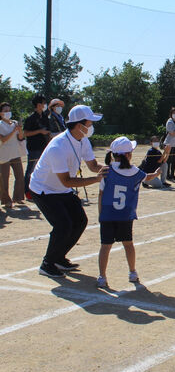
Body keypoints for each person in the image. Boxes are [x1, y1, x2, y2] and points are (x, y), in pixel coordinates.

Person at [28, 105, 108, 278]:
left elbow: (93, 166)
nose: (93, 125)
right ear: (80, 125)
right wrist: (95, 180)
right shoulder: (58, 147)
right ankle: (47, 263)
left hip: (62, 189)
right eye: (90, 122)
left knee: (80, 221)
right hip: (44, 189)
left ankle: (58, 258)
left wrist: (112, 169)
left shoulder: (83, 140)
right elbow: (66, 181)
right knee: (63, 225)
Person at [97, 137, 161, 288]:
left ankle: (102, 277)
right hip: (125, 215)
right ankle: (132, 272)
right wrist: (157, 173)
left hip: (108, 214)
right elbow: (148, 177)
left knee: (105, 246)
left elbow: (101, 194)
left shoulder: (107, 170)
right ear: (128, 155)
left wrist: (100, 214)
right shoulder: (135, 171)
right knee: (128, 244)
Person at [23, 95, 51, 197]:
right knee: (30, 170)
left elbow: (48, 131)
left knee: (43, 170)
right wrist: (39, 131)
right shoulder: (30, 118)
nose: (44, 105)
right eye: (43, 103)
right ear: (38, 105)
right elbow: (25, 133)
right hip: (34, 148)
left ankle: (40, 190)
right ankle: (27, 191)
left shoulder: (45, 117)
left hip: (44, 147)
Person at [0, 102, 26, 209]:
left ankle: (18, 197)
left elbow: (20, 137)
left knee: (20, 175)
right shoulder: (0, 125)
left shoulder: (14, 123)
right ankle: (6, 200)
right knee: (4, 178)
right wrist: (13, 131)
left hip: (15, 153)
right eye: (5, 111)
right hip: (3, 155)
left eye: (9, 110)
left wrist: (19, 130)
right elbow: (3, 139)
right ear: (1, 113)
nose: (8, 113)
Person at [163, 107, 175, 181]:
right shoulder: (169, 122)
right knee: (168, 160)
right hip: (168, 143)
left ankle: (172, 174)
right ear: (171, 114)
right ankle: (167, 175)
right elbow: (171, 132)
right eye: (174, 113)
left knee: (174, 160)